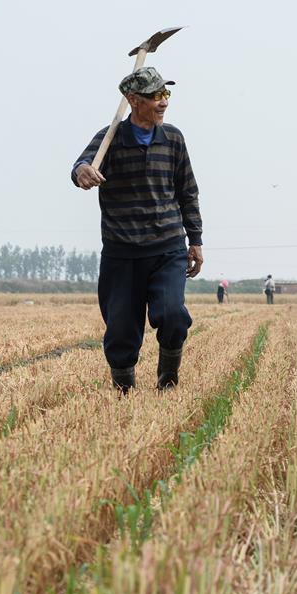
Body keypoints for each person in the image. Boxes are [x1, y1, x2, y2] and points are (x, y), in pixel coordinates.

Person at [72, 66, 203, 393]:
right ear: (132, 100)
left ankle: (167, 380)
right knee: (120, 331)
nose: (163, 103)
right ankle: (124, 393)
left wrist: (196, 240)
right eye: (155, 96)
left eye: (165, 95)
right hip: (122, 252)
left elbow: (187, 191)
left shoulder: (173, 138)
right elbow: (81, 167)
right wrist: (83, 172)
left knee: (173, 315)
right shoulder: (109, 139)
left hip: (168, 247)